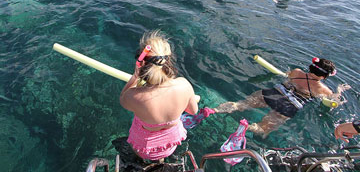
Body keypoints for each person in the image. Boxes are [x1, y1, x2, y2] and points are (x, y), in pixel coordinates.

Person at [213, 57, 351, 137]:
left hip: (274, 93)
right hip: (288, 107)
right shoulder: (324, 90)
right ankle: (244, 128)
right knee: (262, 128)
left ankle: (214, 110)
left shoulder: (296, 72)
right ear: (325, 76)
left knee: (240, 104)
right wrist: (340, 90)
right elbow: (334, 101)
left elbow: (286, 75)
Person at [120, 30, 199, 161]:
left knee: (138, 156)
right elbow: (193, 111)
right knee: (160, 158)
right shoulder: (184, 85)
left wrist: (135, 76)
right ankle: (160, 161)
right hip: (169, 145)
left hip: (143, 148)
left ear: (142, 63)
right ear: (168, 61)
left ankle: (141, 161)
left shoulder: (134, 96)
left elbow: (122, 99)